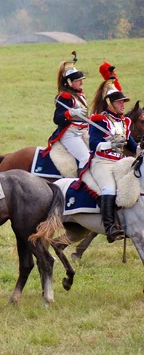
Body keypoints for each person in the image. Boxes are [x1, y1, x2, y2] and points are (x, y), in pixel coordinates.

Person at [82, 62, 138, 243]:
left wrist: (140, 148)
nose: (123, 105)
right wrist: (111, 144)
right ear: (110, 104)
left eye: (123, 102)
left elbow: (132, 144)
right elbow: (94, 145)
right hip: (101, 163)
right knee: (109, 188)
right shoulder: (100, 120)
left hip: (119, 162)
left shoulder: (125, 123)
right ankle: (110, 227)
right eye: (120, 102)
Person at [43, 52, 90, 172]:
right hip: (70, 134)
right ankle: (80, 185)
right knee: (86, 158)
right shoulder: (65, 97)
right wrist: (72, 113)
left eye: (82, 80)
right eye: (78, 80)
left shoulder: (80, 95)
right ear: (69, 82)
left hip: (83, 131)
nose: (81, 82)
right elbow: (57, 118)